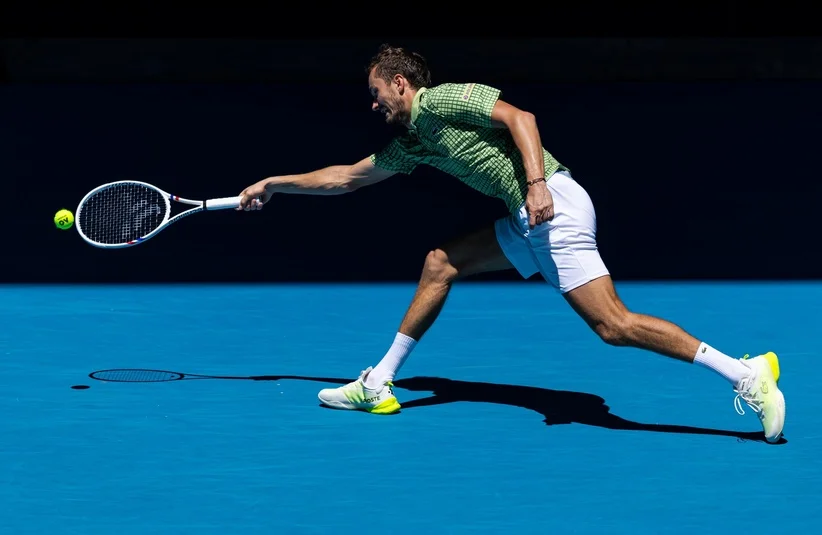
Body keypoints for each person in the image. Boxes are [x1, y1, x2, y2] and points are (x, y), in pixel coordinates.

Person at [237, 44, 786, 443]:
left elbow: (521, 117)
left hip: (548, 204)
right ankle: (377, 382)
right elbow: (347, 177)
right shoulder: (411, 144)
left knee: (613, 326)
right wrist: (274, 184)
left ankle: (746, 374)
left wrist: (535, 182)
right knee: (440, 264)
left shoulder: (444, 99)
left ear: (401, 84)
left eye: (377, 93)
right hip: (529, 218)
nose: (373, 104)